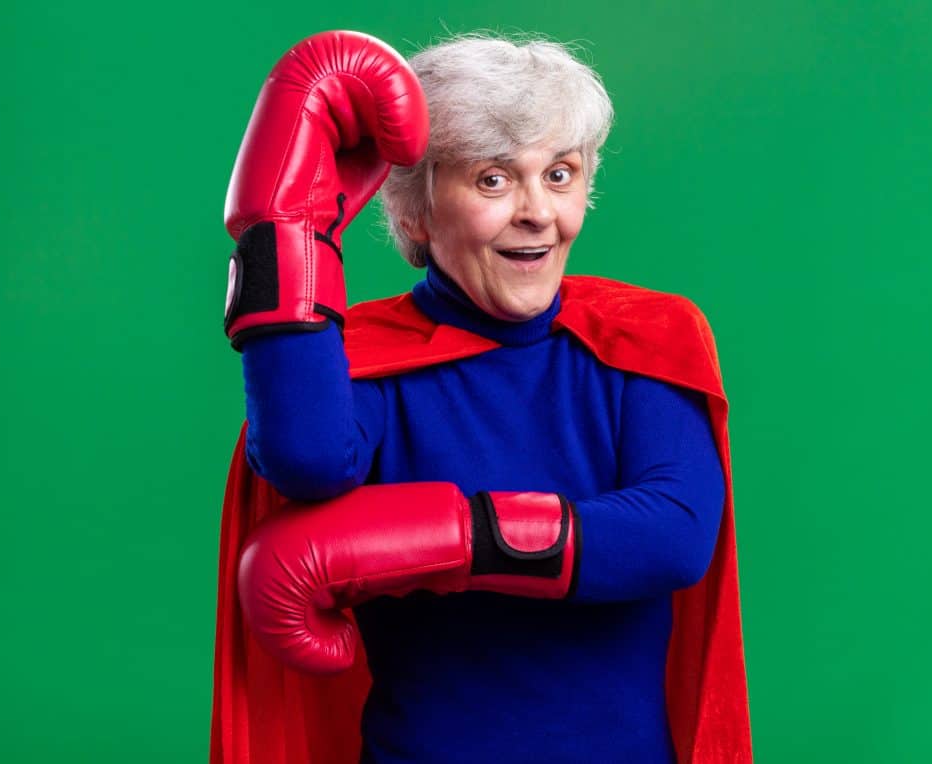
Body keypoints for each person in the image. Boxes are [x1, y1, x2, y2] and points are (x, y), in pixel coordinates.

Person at [211, 30, 752, 764]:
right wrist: (286, 232)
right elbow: (305, 460)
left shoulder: (643, 336)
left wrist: (444, 537)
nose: (536, 210)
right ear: (414, 215)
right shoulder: (364, 362)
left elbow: (675, 533)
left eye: (560, 175)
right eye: (493, 180)